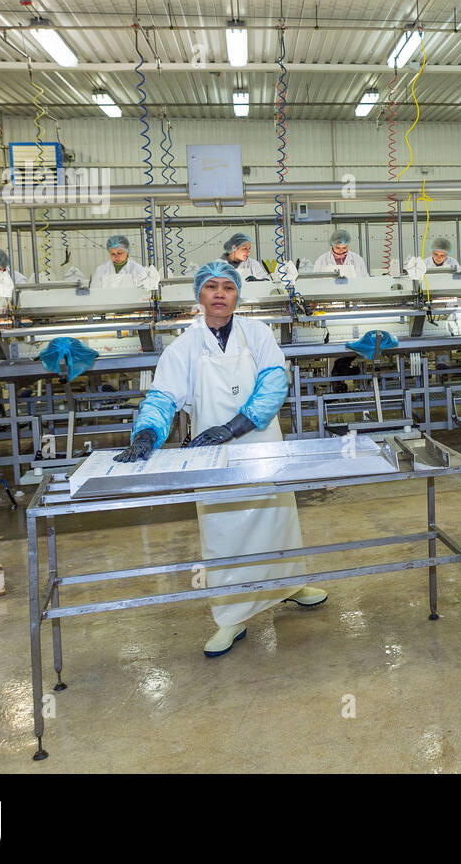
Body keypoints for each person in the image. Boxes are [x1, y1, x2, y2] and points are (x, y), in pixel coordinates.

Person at [114, 261, 326, 656]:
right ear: (199, 295)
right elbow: (162, 398)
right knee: (224, 534)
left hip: (262, 446)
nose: (219, 294)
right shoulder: (184, 347)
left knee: (277, 518)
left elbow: (273, 384)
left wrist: (234, 427)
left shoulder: (258, 334)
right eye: (211, 286)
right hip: (214, 458)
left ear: (236, 296)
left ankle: (289, 585)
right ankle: (231, 617)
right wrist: (146, 434)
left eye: (227, 287)